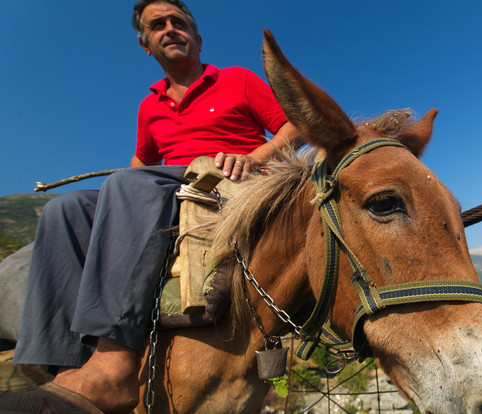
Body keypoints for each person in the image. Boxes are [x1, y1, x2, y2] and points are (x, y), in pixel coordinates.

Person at [0, 1, 302, 412]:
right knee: (64, 210)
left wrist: (256, 157)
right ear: (146, 46)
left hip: (227, 184)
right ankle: (59, 370)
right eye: (157, 25)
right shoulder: (150, 106)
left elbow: (294, 124)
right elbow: (141, 163)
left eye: (179, 23)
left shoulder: (237, 79)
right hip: (167, 188)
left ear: (197, 38)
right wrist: (117, 200)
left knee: (127, 186)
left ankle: (115, 365)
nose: (170, 29)